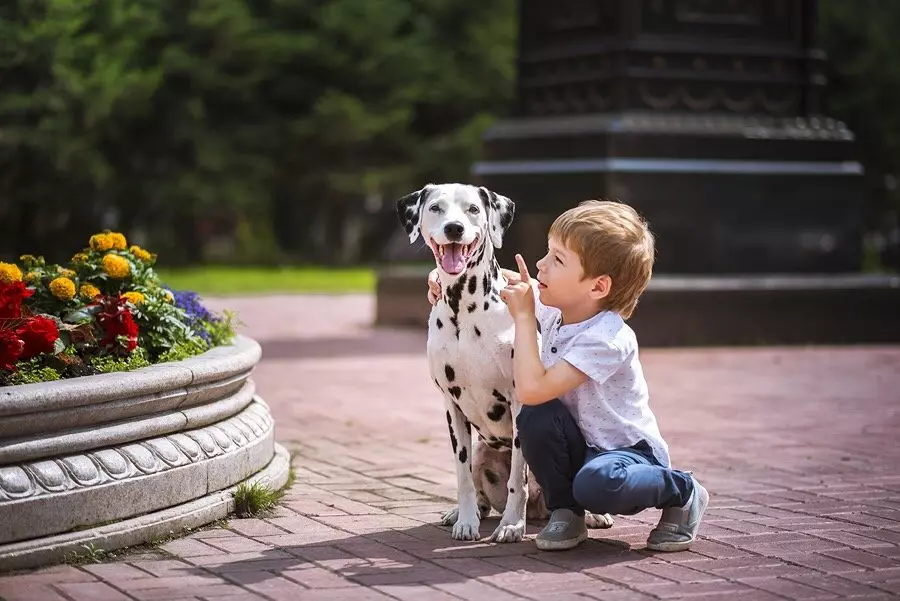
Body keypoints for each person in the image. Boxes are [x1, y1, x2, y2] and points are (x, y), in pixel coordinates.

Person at [426, 199, 707, 552]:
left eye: (557, 259)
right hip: (577, 447)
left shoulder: (606, 339)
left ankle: (683, 490)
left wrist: (525, 319)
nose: (540, 264)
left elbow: (531, 389)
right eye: (547, 252)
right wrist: (441, 275)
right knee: (535, 418)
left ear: (597, 287)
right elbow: (494, 280)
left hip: (623, 455)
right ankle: (566, 511)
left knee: (596, 482)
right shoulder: (557, 311)